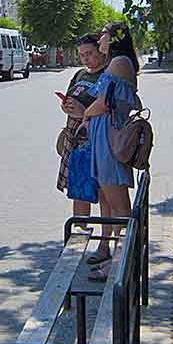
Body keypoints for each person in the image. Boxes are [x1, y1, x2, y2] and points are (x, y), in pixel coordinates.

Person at [77, 22, 141, 281]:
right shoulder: (118, 62)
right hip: (105, 139)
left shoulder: (118, 63)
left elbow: (103, 103)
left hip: (110, 141)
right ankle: (116, 258)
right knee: (109, 200)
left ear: (114, 38)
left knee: (119, 206)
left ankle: (121, 264)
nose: (100, 37)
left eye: (104, 33)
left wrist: (86, 114)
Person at [57, 33, 108, 232]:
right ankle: (79, 233)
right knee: (78, 189)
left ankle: (107, 237)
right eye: (82, 55)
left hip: (97, 138)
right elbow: (69, 100)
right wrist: (66, 107)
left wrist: (83, 112)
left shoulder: (107, 74)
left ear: (101, 52)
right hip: (76, 139)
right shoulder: (80, 74)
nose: (86, 58)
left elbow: (108, 106)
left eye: (90, 53)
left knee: (104, 191)